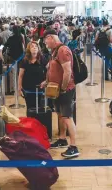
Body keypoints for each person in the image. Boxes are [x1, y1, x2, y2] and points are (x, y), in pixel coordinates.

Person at [40, 29, 79, 158]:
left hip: (65, 90)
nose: (45, 44)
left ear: (50, 37)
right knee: (60, 115)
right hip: (56, 89)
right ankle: (62, 139)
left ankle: (74, 147)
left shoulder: (63, 50)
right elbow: (53, 69)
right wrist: (47, 81)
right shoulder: (54, 51)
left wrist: (62, 88)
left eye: (46, 41)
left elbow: (67, 72)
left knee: (67, 117)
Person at [18, 41, 46, 110]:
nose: (34, 48)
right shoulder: (24, 61)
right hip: (28, 89)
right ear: (29, 49)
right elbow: (20, 75)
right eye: (32, 46)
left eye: (36, 46)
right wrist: (19, 88)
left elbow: (50, 71)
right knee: (30, 108)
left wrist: (46, 81)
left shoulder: (43, 59)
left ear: (38, 49)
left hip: (40, 88)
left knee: (40, 109)